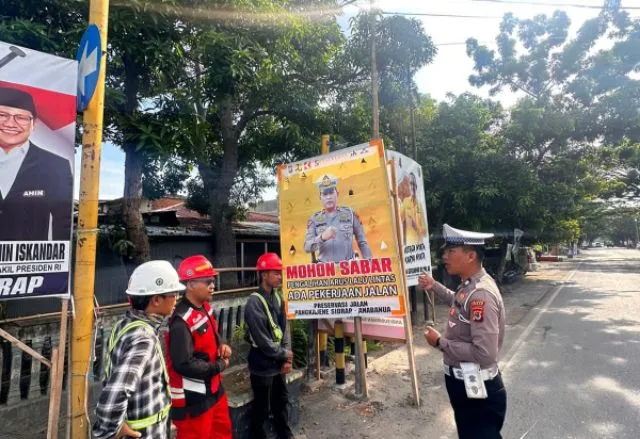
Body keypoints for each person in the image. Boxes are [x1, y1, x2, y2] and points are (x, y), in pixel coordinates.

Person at [418, 224, 507, 439]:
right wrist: (434, 285)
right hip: (466, 386)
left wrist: (440, 343)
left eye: (450, 251)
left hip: (477, 391)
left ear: (470, 256)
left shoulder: (480, 295)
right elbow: (458, 301)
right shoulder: (470, 285)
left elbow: (485, 353)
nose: (444, 256)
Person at [93, 260, 184, 439]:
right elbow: (115, 392)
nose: (177, 299)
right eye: (174, 294)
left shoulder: (126, 324)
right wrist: (111, 429)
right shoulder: (143, 337)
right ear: (156, 300)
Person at [167, 255, 233, 439]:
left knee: (223, 433)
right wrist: (219, 366)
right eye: (207, 281)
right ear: (189, 285)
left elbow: (212, 335)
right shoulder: (180, 321)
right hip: (193, 401)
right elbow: (184, 364)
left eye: (213, 280)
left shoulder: (205, 307)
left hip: (214, 390)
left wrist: (222, 345)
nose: (213, 285)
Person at [0, 86, 73, 241]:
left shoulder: (55, 166)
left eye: (21, 118)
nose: (10, 123)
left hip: (27, 262)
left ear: (34, 124)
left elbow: (63, 222)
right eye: (2, 115)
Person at [244, 252, 294, 439]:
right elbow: (263, 341)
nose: (280, 277)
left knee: (281, 401)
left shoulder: (278, 297)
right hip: (262, 365)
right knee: (262, 407)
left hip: (278, 361)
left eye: (280, 273)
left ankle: (284, 433)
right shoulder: (254, 303)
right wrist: (284, 355)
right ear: (264, 275)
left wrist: (287, 356)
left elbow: (285, 327)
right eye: (275, 273)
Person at [304, 173, 372, 262]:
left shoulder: (350, 214)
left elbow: (362, 241)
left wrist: (370, 263)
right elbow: (307, 247)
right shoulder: (314, 219)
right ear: (320, 198)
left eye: (331, 193)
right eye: (325, 194)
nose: (329, 197)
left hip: (348, 268)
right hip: (325, 270)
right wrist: (322, 237)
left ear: (337, 194)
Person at [400, 172, 427, 246]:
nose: (412, 187)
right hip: (409, 246)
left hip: (420, 246)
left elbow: (425, 232)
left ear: (416, 186)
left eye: (413, 184)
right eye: (410, 184)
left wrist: (416, 227)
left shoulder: (420, 205)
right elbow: (399, 220)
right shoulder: (405, 201)